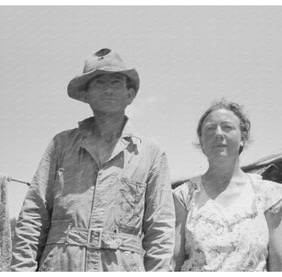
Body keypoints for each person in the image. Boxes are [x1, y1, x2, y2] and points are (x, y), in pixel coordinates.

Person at [11, 48, 175, 271]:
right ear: (86, 95)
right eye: (99, 83)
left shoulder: (151, 153)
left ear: (130, 95)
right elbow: (34, 213)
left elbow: (160, 230)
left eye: (116, 82)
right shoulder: (61, 144)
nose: (108, 89)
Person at [173, 99, 282, 271]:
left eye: (227, 127)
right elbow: (173, 261)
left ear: (243, 138)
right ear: (201, 141)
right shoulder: (184, 196)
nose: (218, 133)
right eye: (210, 128)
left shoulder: (267, 195)